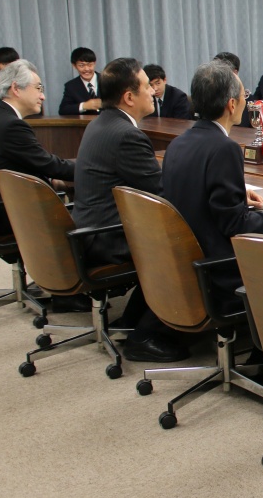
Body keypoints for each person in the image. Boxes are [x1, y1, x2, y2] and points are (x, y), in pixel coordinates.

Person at [72, 57, 188, 362]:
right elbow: (164, 194)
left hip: (90, 230)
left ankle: (132, 319)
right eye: (147, 86)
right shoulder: (128, 135)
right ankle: (147, 334)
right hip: (107, 237)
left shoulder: (102, 124)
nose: (153, 91)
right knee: (182, 243)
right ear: (129, 97)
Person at [161, 62, 263, 298]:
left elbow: (195, 193)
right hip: (219, 268)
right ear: (232, 104)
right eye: (245, 96)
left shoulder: (178, 142)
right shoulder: (224, 148)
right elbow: (236, 225)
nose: (246, 100)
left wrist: (237, 196)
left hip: (183, 260)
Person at [0, 59, 75, 201]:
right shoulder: (11, 125)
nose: (43, 96)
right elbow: (48, 165)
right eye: (39, 88)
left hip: (6, 200)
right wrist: (91, 169)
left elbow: (26, 163)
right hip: (16, 210)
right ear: (16, 88)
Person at [59, 47, 102, 115]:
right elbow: (63, 110)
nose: (86, 69)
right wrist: (84, 106)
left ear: (94, 63)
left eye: (90, 65)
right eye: (81, 65)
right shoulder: (71, 86)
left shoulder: (108, 80)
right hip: (85, 125)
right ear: (74, 66)